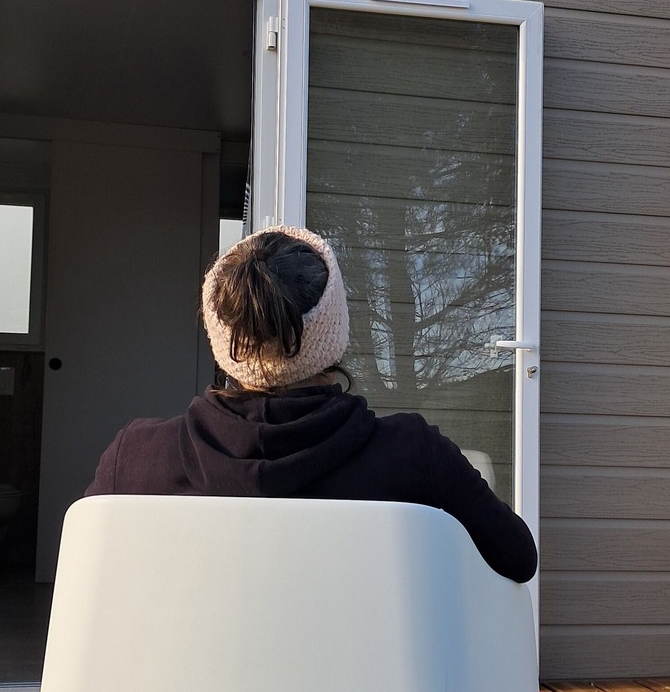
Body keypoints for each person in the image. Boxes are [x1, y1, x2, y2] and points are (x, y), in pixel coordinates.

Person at [85, 225, 537, 583]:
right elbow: (518, 558)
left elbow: (86, 583)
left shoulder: (137, 459)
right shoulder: (415, 456)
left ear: (222, 340)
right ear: (334, 331)